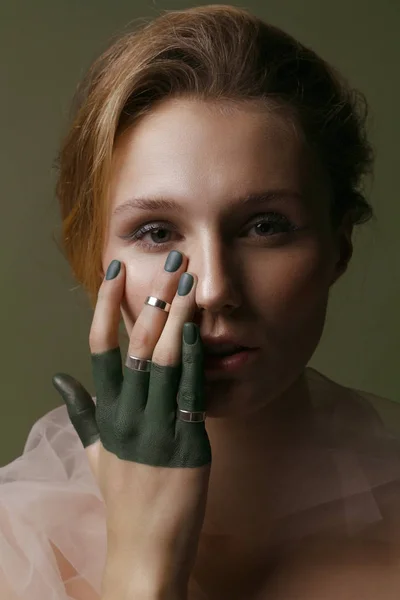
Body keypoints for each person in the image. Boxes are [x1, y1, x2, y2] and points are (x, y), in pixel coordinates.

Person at [1, 4, 400, 599]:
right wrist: (143, 563)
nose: (213, 288)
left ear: (337, 247)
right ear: (91, 258)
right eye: (157, 232)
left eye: (265, 226)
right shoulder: (17, 540)